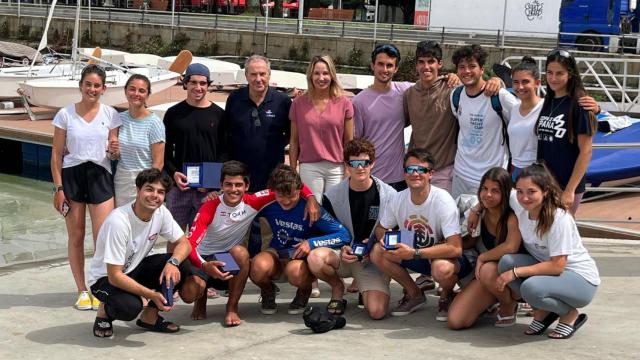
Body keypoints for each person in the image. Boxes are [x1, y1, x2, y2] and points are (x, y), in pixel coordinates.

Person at [184, 161, 319, 327]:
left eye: (238, 185)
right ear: (221, 185)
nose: (233, 189)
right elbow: (190, 244)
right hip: (202, 258)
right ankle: (200, 299)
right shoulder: (210, 206)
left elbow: (291, 185)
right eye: (228, 184)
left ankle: (231, 308)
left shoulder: (254, 201)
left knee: (240, 253)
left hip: (225, 258)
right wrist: (204, 265)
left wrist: (311, 198)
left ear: (247, 186)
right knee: (189, 294)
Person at [497, 163, 600, 339]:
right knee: (506, 263)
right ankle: (543, 311)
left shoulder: (559, 219)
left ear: (545, 191)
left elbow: (557, 267)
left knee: (530, 287)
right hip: (550, 272)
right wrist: (475, 211)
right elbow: (495, 193)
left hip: (579, 279)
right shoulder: (519, 202)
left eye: (531, 191)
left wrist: (516, 272)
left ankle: (568, 314)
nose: (524, 197)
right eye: (520, 191)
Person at [88, 169, 194, 338]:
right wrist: (150, 294)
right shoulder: (119, 221)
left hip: (133, 268)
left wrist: (173, 262)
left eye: (160, 192)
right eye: (149, 189)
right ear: (138, 190)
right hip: (105, 279)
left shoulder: (161, 212)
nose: (155, 196)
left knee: (182, 264)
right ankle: (104, 312)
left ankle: (149, 318)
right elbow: (114, 276)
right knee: (130, 307)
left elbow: (184, 243)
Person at [370, 149, 471, 321]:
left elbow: (455, 248)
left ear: (431, 174)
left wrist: (415, 253)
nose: (415, 173)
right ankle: (415, 294)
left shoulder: (442, 200)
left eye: (421, 170)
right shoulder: (398, 198)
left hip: (443, 258)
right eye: (410, 169)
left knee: (441, 268)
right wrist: (387, 241)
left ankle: (446, 296)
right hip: (414, 253)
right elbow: (380, 228)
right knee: (377, 252)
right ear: (404, 173)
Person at [50, 64, 121, 310]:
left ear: (104, 89)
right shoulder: (65, 114)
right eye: (88, 84)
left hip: (100, 175)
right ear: (81, 85)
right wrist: (58, 189)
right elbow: (57, 155)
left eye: (97, 85)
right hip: (72, 176)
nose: (92, 89)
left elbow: (113, 152)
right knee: (76, 235)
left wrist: (114, 152)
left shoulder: (111, 114)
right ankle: (81, 290)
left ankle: (98, 287)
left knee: (102, 237)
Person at [251, 164, 351, 316]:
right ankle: (268, 291)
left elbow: (344, 235)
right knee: (257, 267)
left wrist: (311, 243)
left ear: (299, 190)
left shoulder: (312, 207)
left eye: (291, 196)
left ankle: (304, 290)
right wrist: (214, 197)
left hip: (299, 260)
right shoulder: (268, 202)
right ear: (273, 191)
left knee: (295, 272)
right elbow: (240, 202)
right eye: (280, 196)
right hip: (277, 254)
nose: (285, 201)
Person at [405, 41, 500, 194]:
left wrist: (497, 81)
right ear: (416, 65)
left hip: (444, 171)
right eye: (421, 62)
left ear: (440, 64)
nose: (426, 67)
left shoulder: (453, 90)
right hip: (417, 171)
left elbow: (476, 86)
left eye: (431, 62)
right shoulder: (409, 93)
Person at [318, 139, 396, 319]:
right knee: (316, 258)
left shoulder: (390, 195)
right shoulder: (331, 196)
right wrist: (342, 247)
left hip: (373, 259)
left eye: (365, 163)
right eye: (354, 163)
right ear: (347, 165)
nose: (360, 168)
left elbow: (395, 232)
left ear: (372, 164)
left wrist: (376, 244)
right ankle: (338, 289)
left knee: (377, 312)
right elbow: (328, 233)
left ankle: (368, 285)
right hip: (345, 256)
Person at [224, 55, 292, 258]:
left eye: (262, 74)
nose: (258, 78)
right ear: (246, 75)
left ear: (269, 75)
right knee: (238, 222)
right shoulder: (235, 99)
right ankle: (240, 267)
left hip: (271, 172)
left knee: (269, 223)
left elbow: (290, 135)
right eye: (253, 74)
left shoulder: (283, 101)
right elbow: (227, 133)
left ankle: (268, 267)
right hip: (240, 175)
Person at [447, 167, 522, 329]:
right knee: (456, 321)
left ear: (506, 193)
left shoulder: (512, 216)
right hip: (489, 278)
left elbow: (511, 246)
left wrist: (482, 257)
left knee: (487, 269)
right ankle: (492, 301)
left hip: (511, 275)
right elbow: (471, 243)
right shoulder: (480, 213)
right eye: (485, 189)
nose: (488, 194)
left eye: (495, 191)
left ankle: (508, 304)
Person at [506, 56, 599, 182]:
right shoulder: (513, 107)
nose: (520, 87)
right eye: (516, 82)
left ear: (537, 84)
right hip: (516, 170)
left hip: (537, 172)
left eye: (525, 82)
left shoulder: (545, 106)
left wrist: (597, 108)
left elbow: (586, 150)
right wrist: (496, 80)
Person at [163, 63, 227, 234]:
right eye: (193, 83)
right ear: (185, 84)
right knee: (174, 236)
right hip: (179, 188)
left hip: (207, 191)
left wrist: (212, 182)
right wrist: (173, 174)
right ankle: (173, 261)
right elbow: (166, 151)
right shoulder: (173, 113)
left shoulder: (219, 115)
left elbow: (225, 151)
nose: (198, 87)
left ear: (208, 85)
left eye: (203, 83)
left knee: (202, 237)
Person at [449, 44, 519, 199]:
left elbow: (525, 117)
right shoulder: (456, 95)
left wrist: (499, 80)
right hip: (460, 175)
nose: (466, 71)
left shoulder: (500, 97)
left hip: (490, 179)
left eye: (472, 66)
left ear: (481, 69)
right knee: (459, 222)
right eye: (462, 67)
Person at [536, 49, 598, 214]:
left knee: (562, 236)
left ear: (570, 74)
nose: (553, 78)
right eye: (549, 72)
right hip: (544, 184)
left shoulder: (579, 104)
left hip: (566, 186)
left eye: (559, 73)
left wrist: (570, 190)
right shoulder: (548, 103)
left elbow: (586, 151)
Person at [288, 54, 354, 202]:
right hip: (309, 167)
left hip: (337, 168)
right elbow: (294, 140)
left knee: (334, 210)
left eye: (325, 73)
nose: (321, 77)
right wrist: (292, 171)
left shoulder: (344, 103)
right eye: (316, 73)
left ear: (332, 75)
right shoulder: (298, 103)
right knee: (313, 209)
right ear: (310, 76)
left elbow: (349, 141)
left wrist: (349, 169)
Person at [352, 44, 411, 191]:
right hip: (371, 177)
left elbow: (428, 84)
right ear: (372, 65)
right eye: (380, 64)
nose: (385, 70)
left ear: (396, 69)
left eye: (389, 65)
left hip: (399, 178)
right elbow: (356, 143)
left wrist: (451, 77)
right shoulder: (359, 101)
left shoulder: (405, 91)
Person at [111, 74, 165, 206]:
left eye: (141, 91)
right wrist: (113, 153)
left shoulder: (155, 123)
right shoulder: (118, 119)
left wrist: (147, 187)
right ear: (125, 91)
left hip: (145, 181)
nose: (136, 94)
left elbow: (158, 163)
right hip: (122, 181)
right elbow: (114, 156)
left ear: (147, 95)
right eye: (132, 89)